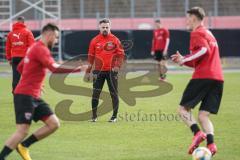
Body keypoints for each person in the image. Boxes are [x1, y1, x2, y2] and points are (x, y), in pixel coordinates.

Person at [0, 23, 87, 160]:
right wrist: (78, 69)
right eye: (56, 37)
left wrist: (34, 82)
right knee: (22, 131)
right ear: (49, 34)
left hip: (32, 95)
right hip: (25, 95)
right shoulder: (41, 49)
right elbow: (54, 68)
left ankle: (23, 146)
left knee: (53, 124)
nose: (56, 41)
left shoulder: (33, 47)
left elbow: (21, 67)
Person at [171, 7, 224, 156]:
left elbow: (203, 50)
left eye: (187, 18)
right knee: (203, 115)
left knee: (182, 110)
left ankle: (197, 133)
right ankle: (211, 144)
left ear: (194, 18)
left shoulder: (197, 32)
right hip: (218, 78)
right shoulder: (209, 33)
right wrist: (184, 61)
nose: (186, 21)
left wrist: (184, 58)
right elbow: (201, 58)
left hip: (203, 76)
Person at [85, 18, 125, 123]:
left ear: (110, 27)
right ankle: (94, 117)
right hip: (98, 71)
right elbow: (90, 57)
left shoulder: (115, 40)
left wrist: (117, 66)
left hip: (112, 71)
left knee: (114, 94)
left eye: (107, 27)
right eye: (103, 27)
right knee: (95, 94)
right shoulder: (94, 40)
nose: (105, 29)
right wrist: (88, 71)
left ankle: (114, 117)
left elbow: (121, 54)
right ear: (99, 27)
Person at [5, 16, 35, 91]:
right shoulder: (27, 32)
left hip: (14, 58)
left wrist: (9, 59)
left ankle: (15, 94)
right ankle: (28, 94)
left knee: (15, 77)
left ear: (16, 22)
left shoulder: (10, 34)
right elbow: (32, 46)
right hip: (25, 58)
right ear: (24, 22)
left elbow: (8, 48)